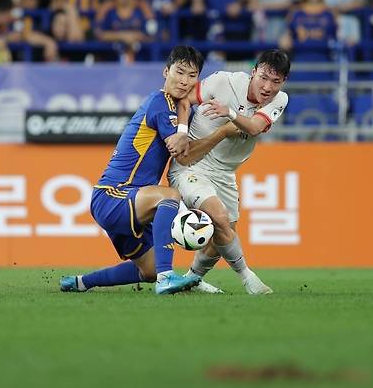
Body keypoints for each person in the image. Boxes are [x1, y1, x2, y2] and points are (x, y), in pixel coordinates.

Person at [60, 46, 239, 295]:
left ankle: (81, 282)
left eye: (192, 75)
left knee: (148, 270)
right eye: (180, 72)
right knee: (170, 196)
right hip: (114, 194)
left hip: (132, 201)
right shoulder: (160, 101)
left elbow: (187, 155)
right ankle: (166, 278)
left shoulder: (179, 109)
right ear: (166, 71)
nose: (185, 81)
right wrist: (222, 132)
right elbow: (182, 151)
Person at [167, 49, 290, 295]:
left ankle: (191, 279)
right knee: (219, 219)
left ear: (283, 82)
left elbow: (254, 127)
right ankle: (248, 278)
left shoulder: (280, 100)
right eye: (263, 77)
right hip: (192, 164)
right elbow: (185, 99)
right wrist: (181, 130)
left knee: (224, 234)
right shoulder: (225, 81)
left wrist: (230, 114)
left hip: (225, 173)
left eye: (275, 82)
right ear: (253, 71)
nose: (267, 87)